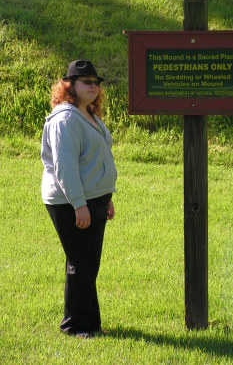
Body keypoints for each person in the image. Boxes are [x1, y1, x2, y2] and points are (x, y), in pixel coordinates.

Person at [41, 59, 117, 338]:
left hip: (92, 199)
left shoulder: (88, 115)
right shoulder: (66, 119)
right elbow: (65, 167)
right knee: (81, 263)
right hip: (70, 201)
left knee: (86, 263)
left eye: (96, 83)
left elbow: (96, 160)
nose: (93, 87)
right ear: (69, 85)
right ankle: (75, 327)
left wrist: (105, 198)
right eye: (86, 82)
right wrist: (80, 205)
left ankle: (90, 323)